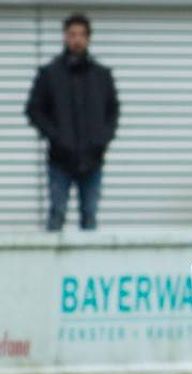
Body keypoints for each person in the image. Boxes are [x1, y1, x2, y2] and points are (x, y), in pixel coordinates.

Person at [25, 13, 119, 231]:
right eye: (72, 34)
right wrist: (55, 137)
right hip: (60, 159)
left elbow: (112, 112)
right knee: (57, 214)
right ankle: (50, 256)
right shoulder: (49, 74)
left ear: (88, 38)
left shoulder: (101, 76)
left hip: (93, 159)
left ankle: (90, 256)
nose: (76, 39)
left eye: (81, 35)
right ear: (65, 37)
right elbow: (34, 110)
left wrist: (101, 140)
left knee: (89, 216)